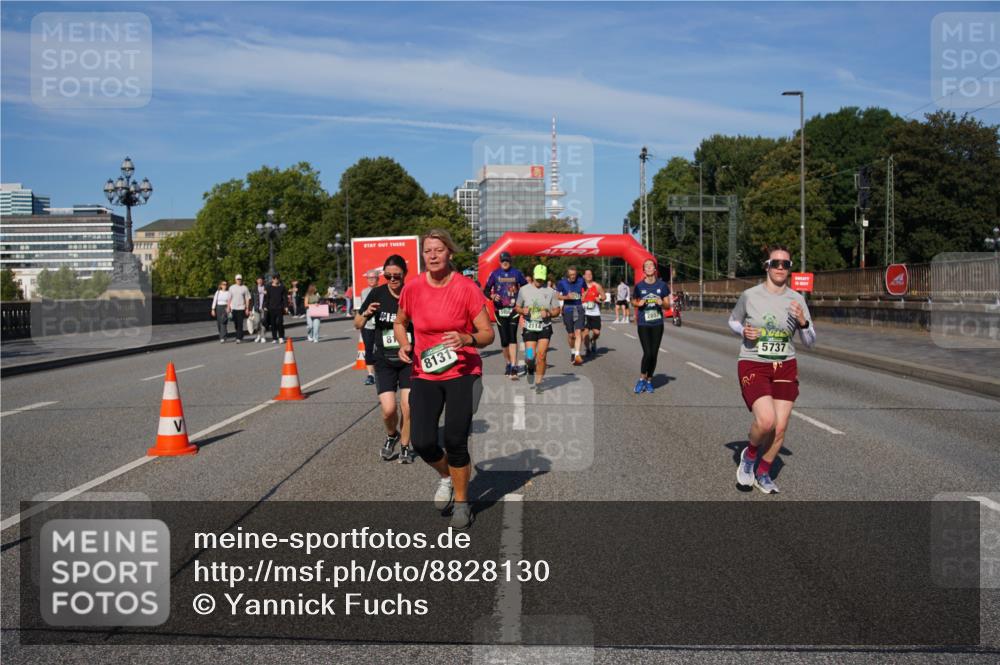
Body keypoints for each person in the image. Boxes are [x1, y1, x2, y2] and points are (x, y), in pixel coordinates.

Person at [395, 229, 494, 530]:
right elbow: (401, 322)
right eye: (428, 251)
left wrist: (466, 337)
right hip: (425, 371)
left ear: (450, 253)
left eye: (439, 250)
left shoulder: (466, 288)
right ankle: (447, 477)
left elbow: (488, 334)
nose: (433, 255)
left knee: (454, 438)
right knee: (422, 441)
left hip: (463, 371)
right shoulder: (412, 288)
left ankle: (463, 504)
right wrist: (403, 343)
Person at [730, 244, 815, 494]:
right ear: (766, 266)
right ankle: (749, 457)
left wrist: (803, 322)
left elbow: (810, 342)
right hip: (753, 360)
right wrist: (742, 331)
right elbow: (733, 320)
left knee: (780, 427)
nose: (780, 268)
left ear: (789, 269)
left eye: (785, 264)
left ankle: (763, 473)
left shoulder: (797, 299)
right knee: (766, 421)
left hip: (785, 365)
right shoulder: (750, 295)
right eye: (775, 263)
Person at [357, 255, 417, 463]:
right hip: (384, 359)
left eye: (396, 275)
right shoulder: (377, 293)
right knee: (389, 409)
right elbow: (357, 323)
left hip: (409, 359)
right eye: (388, 275)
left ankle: (405, 446)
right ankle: (392, 435)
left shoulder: (412, 293)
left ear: (404, 275)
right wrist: (366, 313)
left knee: (408, 406)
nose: (392, 279)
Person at [516, 264, 561, 393]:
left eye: (542, 279)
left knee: (541, 355)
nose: (539, 281)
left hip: (544, 326)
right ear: (534, 275)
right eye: (537, 278)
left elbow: (557, 310)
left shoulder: (550, 291)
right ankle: (530, 367)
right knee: (530, 356)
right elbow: (517, 307)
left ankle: (539, 382)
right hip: (530, 326)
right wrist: (522, 310)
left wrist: (549, 313)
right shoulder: (524, 290)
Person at [483, 251, 528, 379]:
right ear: (499, 262)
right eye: (503, 260)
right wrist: (492, 295)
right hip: (499, 311)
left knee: (512, 337)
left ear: (510, 261)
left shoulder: (517, 273)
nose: (505, 262)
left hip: (513, 310)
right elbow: (486, 290)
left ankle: (514, 366)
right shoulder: (495, 274)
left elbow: (525, 288)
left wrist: (522, 300)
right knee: (504, 340)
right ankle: (508, 363)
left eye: (507, 260)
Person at [631, 259, 669, 394]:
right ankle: (641, 379)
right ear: (644, 270)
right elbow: (633, 301)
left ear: (654, 269)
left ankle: (649, 381)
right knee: (647, 353)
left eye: (651, 265)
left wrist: (661, 303)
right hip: (643, 323)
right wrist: (638, 304)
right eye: (646, 266)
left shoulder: (662, 285)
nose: (648, 267)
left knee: (654, 354)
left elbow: (668, 305)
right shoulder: (639, 286)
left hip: (657, 323)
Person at [555, 265, 587, 365]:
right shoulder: (562, 282)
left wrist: (584, 296)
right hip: (568, 309)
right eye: (571, 275)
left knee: (578, 332)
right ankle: (573, 351)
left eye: (574, 274)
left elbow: (585, 289)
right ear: (568, 274)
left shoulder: (581, 280)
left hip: (579, 308)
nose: (573, 276)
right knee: (571, 335)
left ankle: (577, 355)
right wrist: (566, 297)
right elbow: (557, 296)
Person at [359, 271, 380, 386]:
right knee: (369, 350)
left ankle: (382, 372)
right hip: (368, 325)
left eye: (373, 278)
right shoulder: (364, 292)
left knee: (381, 349)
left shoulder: (383, 290)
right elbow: (362, 309)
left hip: (380, 325)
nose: (371, 280)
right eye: (369, 278)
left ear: (378, 279)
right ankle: (370, 375)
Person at [581, 268, 605, 357]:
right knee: (585, 332)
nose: (588, 276)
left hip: (595, 313)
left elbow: (604, 297)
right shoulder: (581, 286)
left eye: (590, 274)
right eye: (587, 274)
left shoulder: (597, 286)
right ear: (584, 276)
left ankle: (593, 340)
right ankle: (587, 349)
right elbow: (577, 298)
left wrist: (599, 299)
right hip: (584, 312)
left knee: (597, 332)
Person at [227, 274, 251, 344]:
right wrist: (228, 307)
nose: (239, 280)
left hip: (241, 308)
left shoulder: (245, 288)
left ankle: (238, 338)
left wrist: (247, 308)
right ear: (235, 280)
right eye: (238, 279)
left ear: (241, 280)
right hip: (233, 308)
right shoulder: (231, 288)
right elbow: (229, 298)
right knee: (236, 324)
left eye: (240, 279)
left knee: (240, 323)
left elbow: (247, 299)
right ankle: (240, 335)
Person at [264, 274, 288, 344]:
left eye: (277, 278)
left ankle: (281, 337)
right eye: (275, 278)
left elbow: (285, 298)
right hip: (271, 308)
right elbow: (267, 298)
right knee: (273, 323)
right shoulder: (269, 287)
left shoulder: (282, 287)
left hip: (279, 307)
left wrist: (286, 306)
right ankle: (274, 338)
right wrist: (265, 306)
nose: (276, 280)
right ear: (272, 279)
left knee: (279, 323)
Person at [252, 276, 268, 343]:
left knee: (263, 322)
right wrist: (250, 309)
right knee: (257, 322)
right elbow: (252, 300)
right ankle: (258, 335)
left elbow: (269, 298)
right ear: (257, 281)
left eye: (261, 280)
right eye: (259, 280)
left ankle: (263, 336)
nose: (260, 281)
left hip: (264, 308)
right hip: (256, 308)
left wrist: (266, 306)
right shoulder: (254, 289)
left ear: (263, 281)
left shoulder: (266, 288)